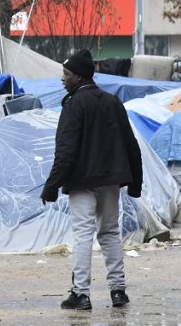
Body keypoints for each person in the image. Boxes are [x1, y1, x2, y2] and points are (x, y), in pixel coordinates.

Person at [41, 49, 143, 311]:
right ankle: (118, 291)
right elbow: (131, 144)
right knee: (109, 232)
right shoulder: (112, 102)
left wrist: (52, 185)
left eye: (65, 74)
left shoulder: (74, 104)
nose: (62, 79)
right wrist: (135, 182)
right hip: (111, 181)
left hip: (81, 181)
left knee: (83, 234)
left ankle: (81, 294)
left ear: (77, 75)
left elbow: (65, 150)